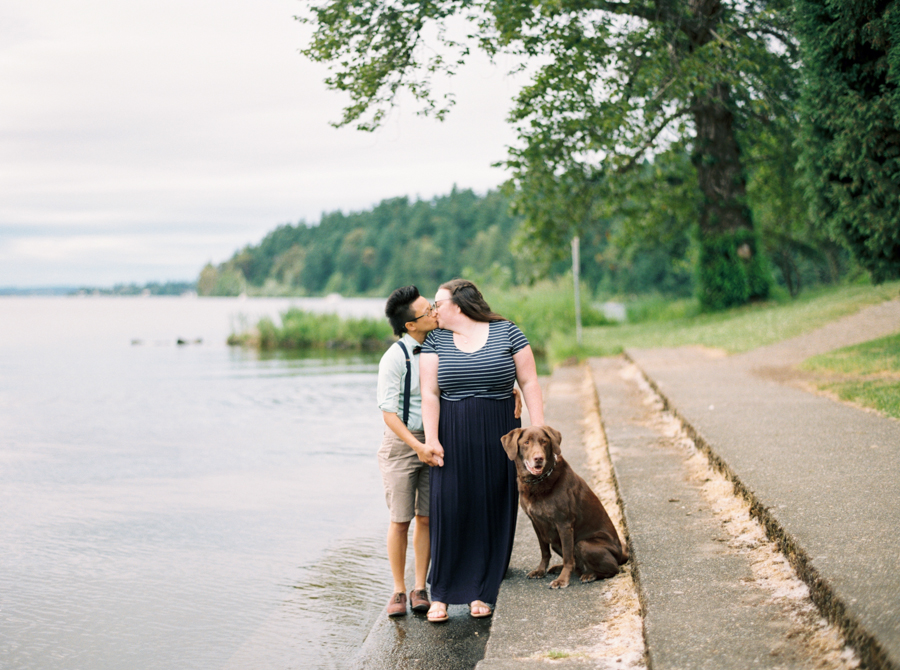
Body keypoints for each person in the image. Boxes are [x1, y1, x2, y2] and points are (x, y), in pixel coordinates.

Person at [420, 279, 544, 622]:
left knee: (491, 504)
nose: (434, 310)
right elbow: (429, 393)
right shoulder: (435, 339)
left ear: (458, 305)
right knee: (449, 505)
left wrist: (539, 429)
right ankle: (441, 592)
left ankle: (482, 589)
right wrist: (432, 439)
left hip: (500, 434)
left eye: (438, 303)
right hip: (452, 432)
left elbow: (529, 381)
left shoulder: (507, 332)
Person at [376, 286, 442, 617]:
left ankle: (421, 587)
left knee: (426, 517)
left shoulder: (440, 346)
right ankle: (399, 591)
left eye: (432, 306)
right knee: (400, 519)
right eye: (427, 310)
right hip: (402, 443)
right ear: (410, 325)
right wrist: (417, 446)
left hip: (432, 438)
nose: (434, 312)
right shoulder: (394, 357)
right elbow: (388, 413)